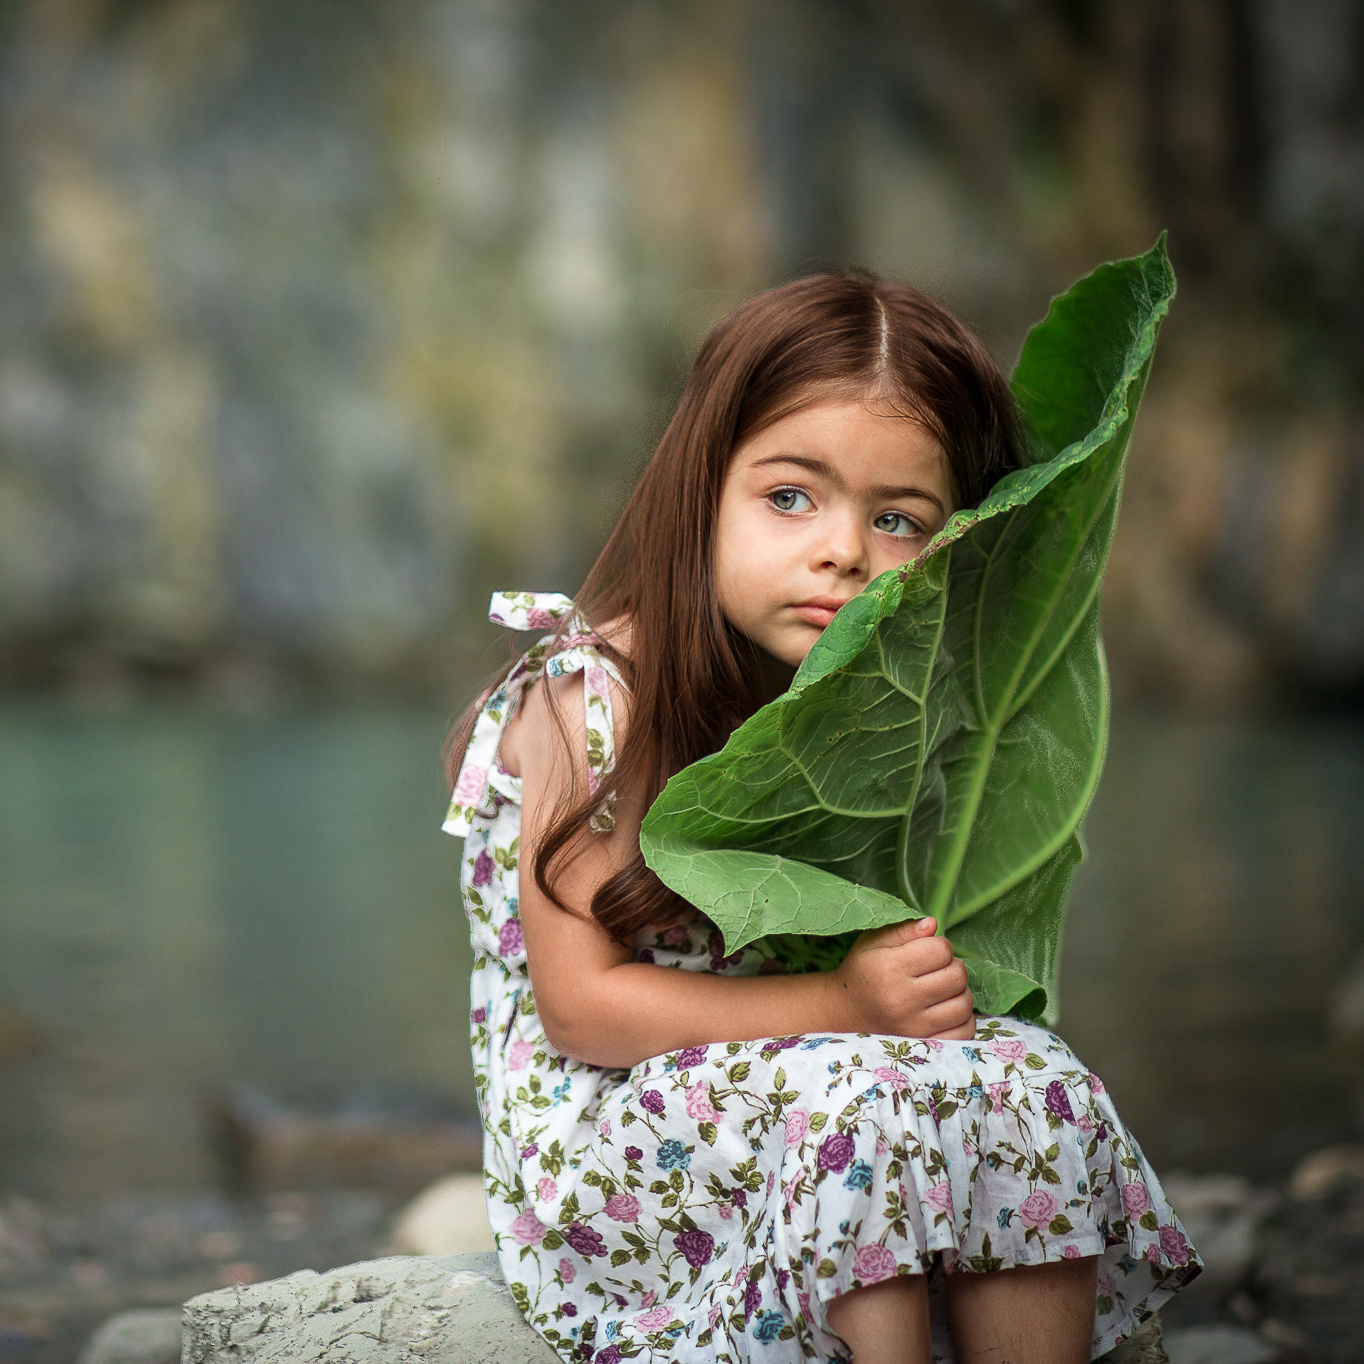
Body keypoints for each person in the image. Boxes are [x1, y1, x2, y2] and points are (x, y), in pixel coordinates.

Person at [443, 274, 1199, 1364]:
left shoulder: (871, 699)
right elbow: (578, 1008)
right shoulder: (590, 694)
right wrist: (845, 1000)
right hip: (603, 1150)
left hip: (794, 1082)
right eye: (789, 496)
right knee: (873, 1104)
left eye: (896, 518)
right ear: (700, 485)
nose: (840, 550)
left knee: (1034, 1074)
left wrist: (884, 1008)